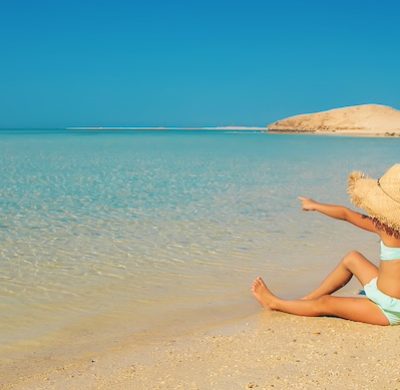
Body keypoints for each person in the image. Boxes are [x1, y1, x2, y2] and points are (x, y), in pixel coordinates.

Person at [252, 164, 400, 326]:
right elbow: (346, 214)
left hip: (388, 309)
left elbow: (347, 215)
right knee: (352, 258)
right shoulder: (390, 228)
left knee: (327, 303)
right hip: (384, 292)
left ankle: (274, 303)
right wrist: (315, 205)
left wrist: (314, 205)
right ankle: (307, 300)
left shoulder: (388, 230)